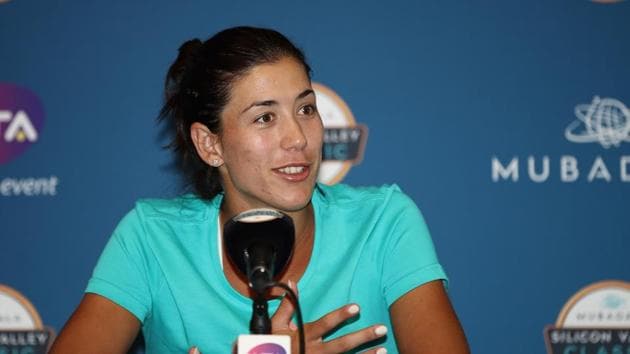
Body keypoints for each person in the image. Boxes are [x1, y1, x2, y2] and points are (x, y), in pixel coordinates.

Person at [50, 26, 470, 354]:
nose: (298, 138)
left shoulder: (384, 222)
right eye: (265, 119)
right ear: (210, 144)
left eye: (306, 109)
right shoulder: (151, 238)